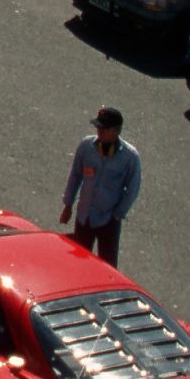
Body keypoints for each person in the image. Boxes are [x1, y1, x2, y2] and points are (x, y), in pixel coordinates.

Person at [59, 105, 142, 264]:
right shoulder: (86, 146)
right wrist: (68, 205)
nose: (99, 132)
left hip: (108, 220)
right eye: (98, 127)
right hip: (84, 216)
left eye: (104, 129)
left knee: (108, 265)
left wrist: (118, 214)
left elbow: (133, 188)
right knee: (78, 263)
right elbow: (75, 175)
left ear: (116, 131)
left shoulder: (129, 157)